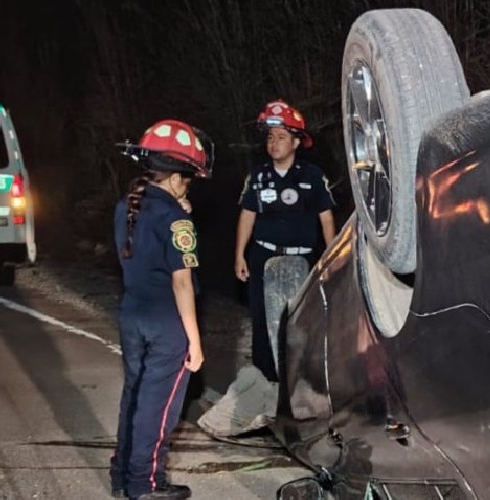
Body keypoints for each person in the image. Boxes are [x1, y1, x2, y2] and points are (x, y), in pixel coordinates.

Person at [110, 119, 213, 500]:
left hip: (131, 313)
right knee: (159, 407)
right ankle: (146, 484)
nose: (190, 187)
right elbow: (182, 282)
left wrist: (178, 209)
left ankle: (122, 475)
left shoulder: (128, 206)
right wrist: (195, 341)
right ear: (175, 177)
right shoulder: (176, 218)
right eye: (188, 179)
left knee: (135, 396)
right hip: (166, 323)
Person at [234, 100, 336, 382]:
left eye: (281, 137)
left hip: (303, 259)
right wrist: (239, 255)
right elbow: (247, 215)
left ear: (295, 142)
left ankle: (303, 383)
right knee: (262, 320)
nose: (274, 143)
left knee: (303, 322)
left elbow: (326, 218)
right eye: (270, 137)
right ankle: (265, 382)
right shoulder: (257, 177)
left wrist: (332, 256)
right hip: (263, 256)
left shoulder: (313, 176)